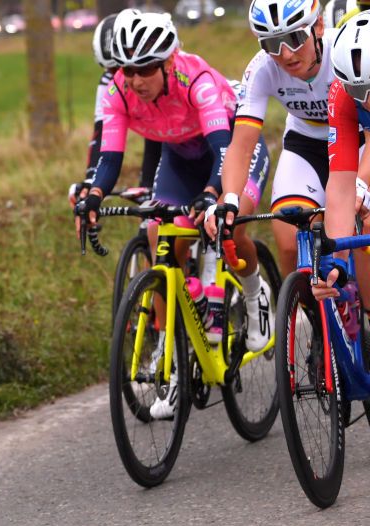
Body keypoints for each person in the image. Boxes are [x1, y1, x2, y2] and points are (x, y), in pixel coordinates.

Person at [74, 11, 270, 417]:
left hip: (231, 150)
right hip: (180, 158)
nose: (135, 79)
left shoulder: (197, 82)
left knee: (228, 226)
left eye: (145, 68)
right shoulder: (119, 90)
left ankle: (255, 294)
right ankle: (175, 354)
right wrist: (93, 195)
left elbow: (223, 151)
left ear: (168, 62)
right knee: (156, 236)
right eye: (128, 69)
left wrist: (213, 194)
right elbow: (109, 158)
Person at [204, 0, 331, 349]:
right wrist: (229, 198)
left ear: (317, 26)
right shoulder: (261, 69)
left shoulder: (343, 51)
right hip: (304, 144)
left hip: (356, 143)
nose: (286, 53)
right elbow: (242, 145)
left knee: (349, 239)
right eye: (272, 43)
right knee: (290, 243)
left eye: (294, 37)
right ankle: (320, 334)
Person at [70, 9, 161, 206]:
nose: (120, 77)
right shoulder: (109, 85)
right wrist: (90, 180)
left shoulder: (160, 74)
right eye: (112, 70)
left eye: (125, 67)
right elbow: (101, 133)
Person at [314, 12, 370, 304]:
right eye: (359, 90)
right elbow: (340, 182)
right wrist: (338, 259)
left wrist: (361, 183)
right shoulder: (344, 92)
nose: (367, 99)